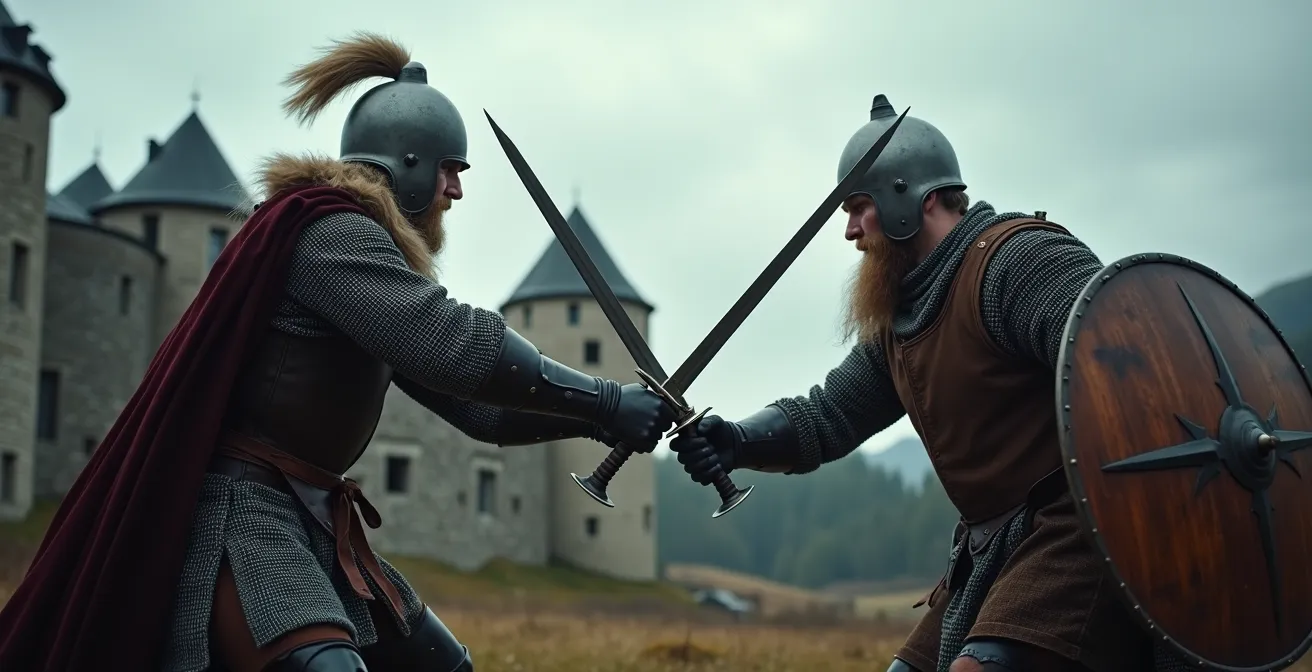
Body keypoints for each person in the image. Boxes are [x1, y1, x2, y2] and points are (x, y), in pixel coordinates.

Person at [0, 33, 676, 672]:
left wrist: (604, 421)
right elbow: (454, 344)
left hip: (312, 520)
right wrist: (606, 399)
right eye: (449, 169)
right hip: (243, 512)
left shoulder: (366, 257)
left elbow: (480, 410)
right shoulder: (332, 234)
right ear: (407, 163)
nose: (456, 190)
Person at [669, 95, 1159, 672]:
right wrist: (738, 440)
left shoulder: (1019, 262)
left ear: (913, 200)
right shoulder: (903, 318)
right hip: (993, 547)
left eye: (859, 208)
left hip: (1083, 527)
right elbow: (829, 414)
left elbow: (1129, 369)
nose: (850, 231)